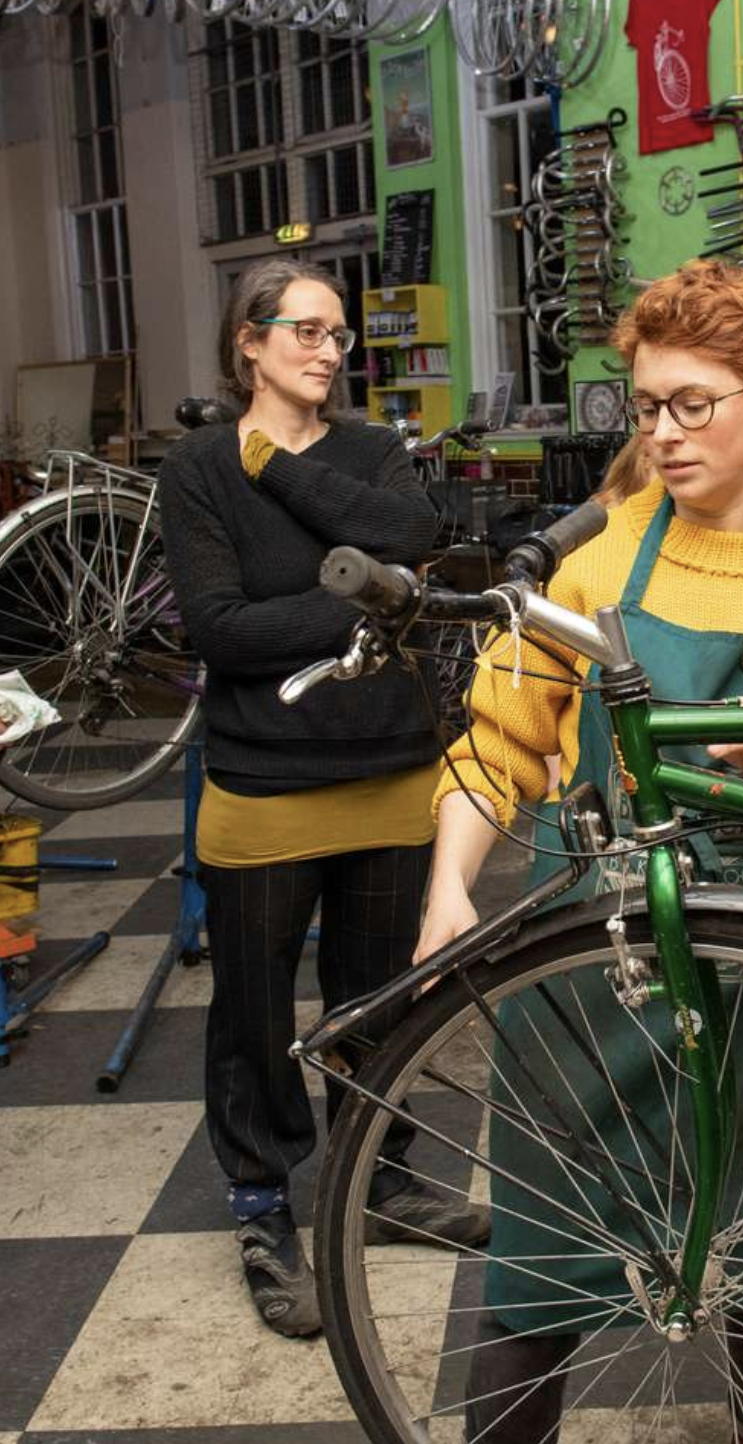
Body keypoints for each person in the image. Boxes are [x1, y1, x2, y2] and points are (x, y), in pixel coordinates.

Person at [414, 259, 743, 1441]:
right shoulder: (595, 563)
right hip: (589, 976)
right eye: (646, 405)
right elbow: (495, 742)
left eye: (694, 403)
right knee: (537, 1283)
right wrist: (448, 882)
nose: (662, 432)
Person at [156, 258, 487, 1339]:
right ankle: (263, 1207)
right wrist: (359, 604)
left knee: (380, 996)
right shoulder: (200, 467)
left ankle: (380, 1178)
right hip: (263, 784)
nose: (328, 348)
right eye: (303, 329)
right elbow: (221, 631)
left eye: (339, 333)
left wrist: (287, 473)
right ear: (248, 342)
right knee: (252, 1011)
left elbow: (416, 544)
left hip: (391, 770)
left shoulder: (369, 452)